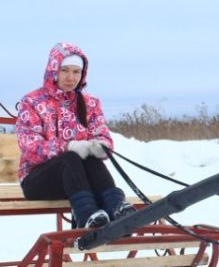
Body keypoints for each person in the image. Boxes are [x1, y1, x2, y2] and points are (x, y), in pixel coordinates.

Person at [16, 42, 136, 231]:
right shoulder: (32, 102)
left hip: (79, 181)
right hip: (39, 180)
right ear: (53, 70)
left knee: (91, 158)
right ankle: (87, 217)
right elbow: (29, 146)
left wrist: (100, 146)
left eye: (76, 72)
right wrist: (68, 147)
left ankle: (116, 209)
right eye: (65, 70)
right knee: (70, 158)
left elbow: (103, 133)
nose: (70, 78)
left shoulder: (90, 103)